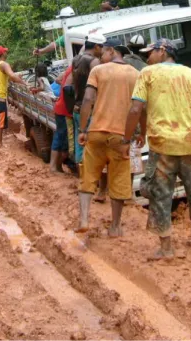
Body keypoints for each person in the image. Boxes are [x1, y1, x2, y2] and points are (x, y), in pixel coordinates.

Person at [124, 38, 191, 260]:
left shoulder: (148, 75)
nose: (147, 57)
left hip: (162, 146)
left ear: (162, 51)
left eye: (150, 53)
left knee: (160, 195)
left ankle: (167, 248)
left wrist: (125, 140)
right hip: (190, 144)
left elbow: (135, 110)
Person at [75, 39, 138, 236]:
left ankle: (84, 219)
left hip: (96, 132)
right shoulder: (135, 74)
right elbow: (139, 108)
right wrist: (139, 132)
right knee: (119, 179)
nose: (101, 56)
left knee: (89, 176)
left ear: (111, 51)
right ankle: (115, 226)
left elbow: (87, 99)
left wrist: (83, 129)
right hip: (121, 136)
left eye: (103, 52)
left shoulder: (98, 71)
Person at [71, 33, 105, 166]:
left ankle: (83, 181)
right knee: (93, 150)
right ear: (97, 46)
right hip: (89, 110)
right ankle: (92, 182)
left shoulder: (76, 59)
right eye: (102, 47)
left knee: (80, 147)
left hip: (77, 108)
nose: (102, 51)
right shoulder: (94, 62)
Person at [0, 46, 26, 148]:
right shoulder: (4, 64)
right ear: (2, 54)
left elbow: (5, 78)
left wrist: (15, 78)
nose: (6, 53)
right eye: (5, 52)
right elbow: (12, 76)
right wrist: (24, 83)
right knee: (0, 122)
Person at [50, 66, 73, 173]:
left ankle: (57, 166)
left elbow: (58, 80)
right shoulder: (76, 69)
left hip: (62, 108)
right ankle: (53, 166)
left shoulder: (70, 68)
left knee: (61, 136)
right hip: (65, 110)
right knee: (60, 136)